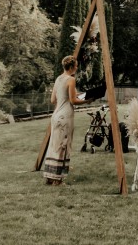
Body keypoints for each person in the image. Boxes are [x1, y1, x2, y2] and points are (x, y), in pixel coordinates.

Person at [42, 55, 86, 185]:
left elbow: (53, 100)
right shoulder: (71, 80)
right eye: (76, 66)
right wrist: (87, 100)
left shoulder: (58, 79)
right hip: (65, 116)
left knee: (54, 146)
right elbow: (73, 101)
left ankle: (49, 177)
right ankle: (58, 180)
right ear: (71, 67)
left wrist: (75, 95)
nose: (77, 68)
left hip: (56, 115)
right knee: (63, 146)